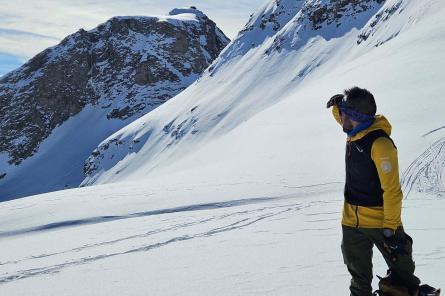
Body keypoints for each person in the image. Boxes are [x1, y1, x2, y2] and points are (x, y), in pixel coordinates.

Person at [326, 87, 439, 296]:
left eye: (343, 112)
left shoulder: (380, 144)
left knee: (404, 277)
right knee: (359, 281)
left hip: (381, 220)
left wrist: (390, 228)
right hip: (351, 221)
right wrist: (336, 105)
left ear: (356, 116)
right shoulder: (355, 131)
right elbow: (343, 121)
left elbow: (392, 190)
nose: (340, 117)